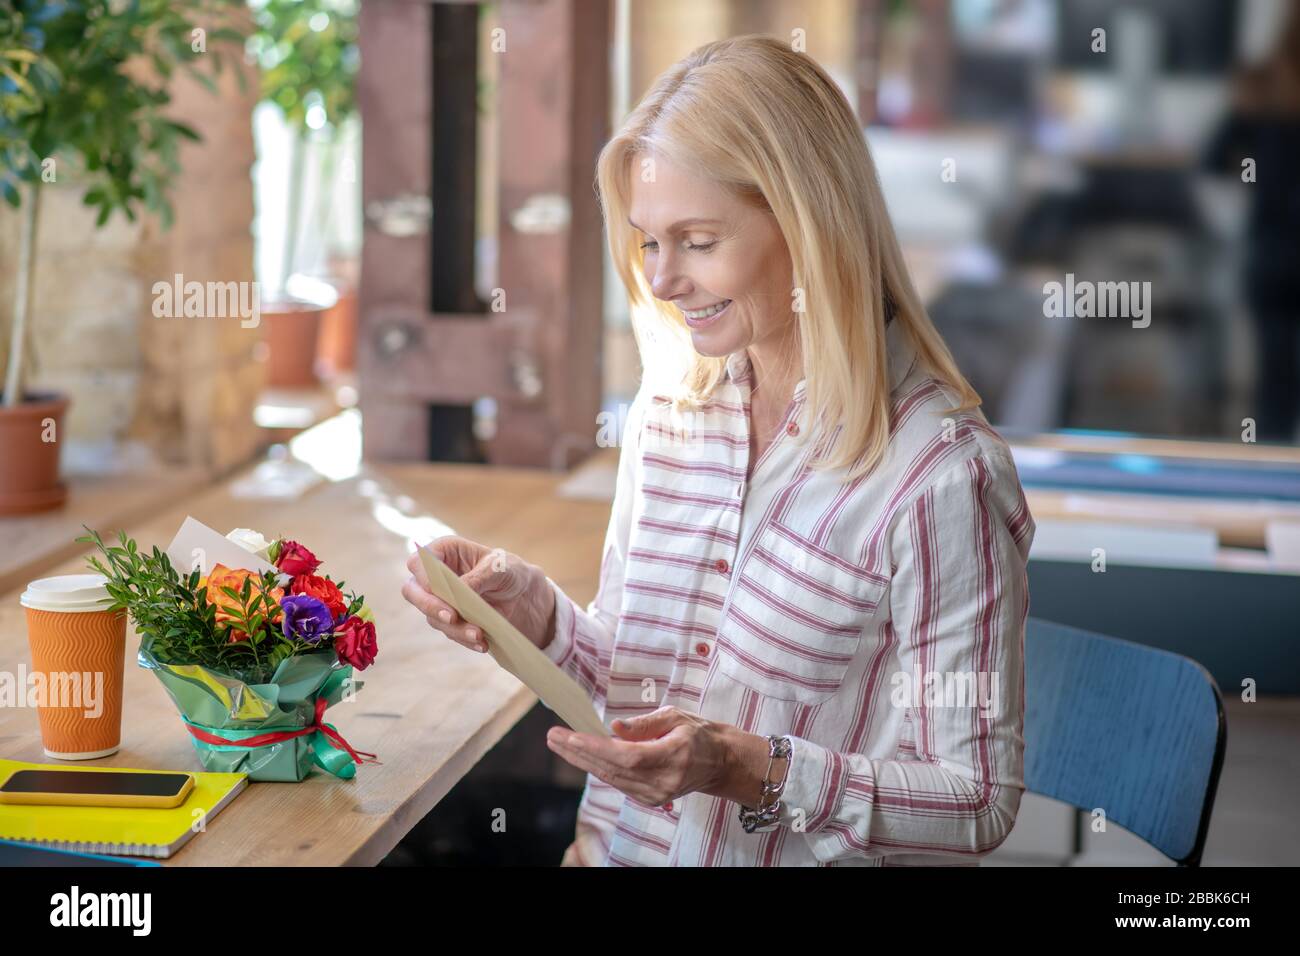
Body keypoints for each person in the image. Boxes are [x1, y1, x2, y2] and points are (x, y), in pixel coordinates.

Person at [403, 35, 1035, 866]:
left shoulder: (939, 478)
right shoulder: (669, 415)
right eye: (648, 242)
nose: (662, 280)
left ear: (809, 226)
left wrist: (748, 768)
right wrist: (538, 618)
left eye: (698, 242)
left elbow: (977, 798)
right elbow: (641, 702)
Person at [1204, 5, 1300, 441]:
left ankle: (1274, 481)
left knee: (1275, 383)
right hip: (1275, 253)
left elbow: (1213, 158)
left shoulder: (1261, 86)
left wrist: (1255, 170)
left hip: (1273, 253)